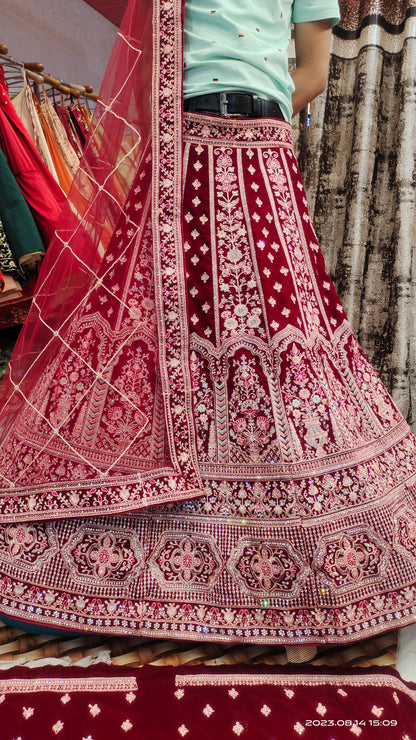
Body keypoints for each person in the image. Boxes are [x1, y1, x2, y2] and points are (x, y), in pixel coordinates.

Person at [0, 0, 416, 663]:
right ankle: (132, 558)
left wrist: (258, 120)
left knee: (284, 346)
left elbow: (311, 71)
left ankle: (299, 579)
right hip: (180, 154)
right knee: (162, 342)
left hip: (262, 155)